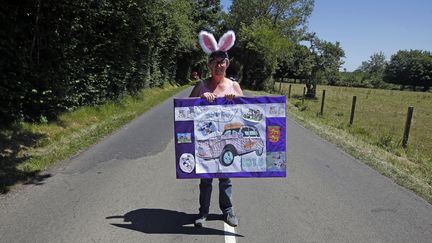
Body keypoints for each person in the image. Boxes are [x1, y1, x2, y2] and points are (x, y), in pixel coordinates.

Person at [189, 30, 243, 228]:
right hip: (207, 141)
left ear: (227, 64)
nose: (219, 65)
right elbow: (185, 109)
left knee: (226, 177)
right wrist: (201, 99)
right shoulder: (202, 85)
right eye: (215, 62)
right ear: (209, 65)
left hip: (227, 139)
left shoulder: (234, 86)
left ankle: (227, 211)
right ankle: (203, 212)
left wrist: (235, 101)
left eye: (222, 62)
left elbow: (246, 113)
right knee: (206, 179)